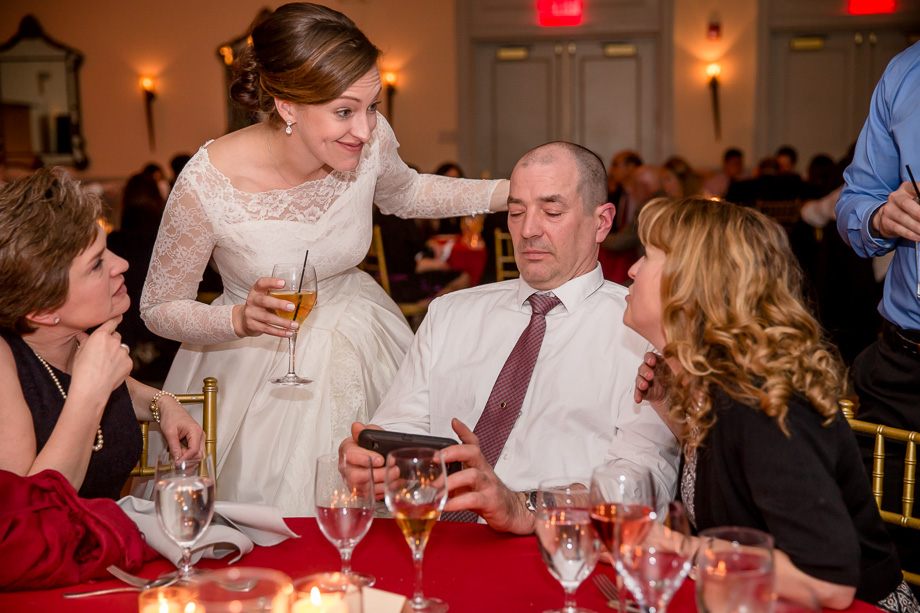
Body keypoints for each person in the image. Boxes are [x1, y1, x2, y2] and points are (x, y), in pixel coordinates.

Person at [140, 2, 508, 516]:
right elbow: (158, 306)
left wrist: (509, 193)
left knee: (394, 504)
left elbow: (406, 194)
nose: (364, 129)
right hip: (249, 361)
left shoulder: (369, 140)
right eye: (344, 111)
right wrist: (238, 319)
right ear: (288, 105)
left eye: (373, 106)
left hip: (361, 331)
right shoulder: (208, 182)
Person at [340, 142, 679, 534]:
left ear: (601, 222)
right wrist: (375, 458)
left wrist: (529, 506)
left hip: (559, 544)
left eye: (552, 211)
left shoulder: (640, 329)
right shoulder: (450, 313)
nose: (529, 230)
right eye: (516, 212)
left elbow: (647, 477)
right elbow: (402, 427)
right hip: (436, 539)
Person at [628, 197, 915, 611]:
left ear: (693, 285)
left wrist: (676, 546)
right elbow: (735, 480)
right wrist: (672, 405)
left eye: (649, 256)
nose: (632, 269)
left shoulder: (763, 402)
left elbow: (829, 583)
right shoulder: (722, 385)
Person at [0, 168, 203, 500]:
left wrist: (163, 404)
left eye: (107, 248)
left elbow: (122, 388)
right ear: (42, 310)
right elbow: (28, 513)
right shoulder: (5, 363)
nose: (121, 263)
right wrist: (89, 394)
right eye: (96, 264)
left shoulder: (78, 340)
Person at [835, 40, 920, 594]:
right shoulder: (906, 72)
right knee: (881, 559)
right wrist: (880, 215)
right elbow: (853, 202)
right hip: (904, 364)